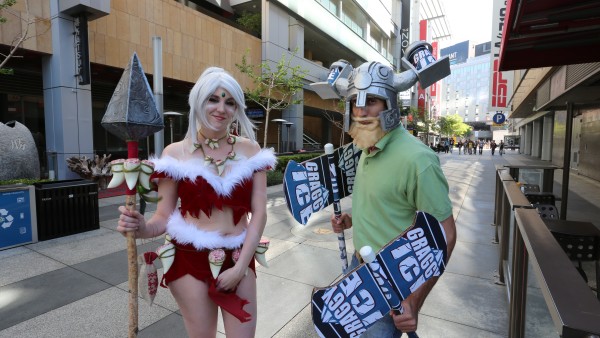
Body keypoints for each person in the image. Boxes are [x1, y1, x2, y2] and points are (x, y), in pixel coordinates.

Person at [116, 67, 276, 337]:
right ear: (198, 101)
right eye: (213, 99)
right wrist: (141, 228)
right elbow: (163, 216)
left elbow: (259, 214)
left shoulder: (251, 151)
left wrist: (239, 269)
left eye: (229, 102)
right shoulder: (175, 153)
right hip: (189, 260)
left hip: (239, 256)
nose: (221, 108)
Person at [330, 61, 457, 336]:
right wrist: (351, 220)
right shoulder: (365, 147)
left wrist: (414, 301)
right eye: (355, 102)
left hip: (393, 283)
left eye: (371, 100)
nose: (361, 110)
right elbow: (386, 204)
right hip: (358, 267)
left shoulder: (418, 160)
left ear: (390, 104)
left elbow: (445, 235)